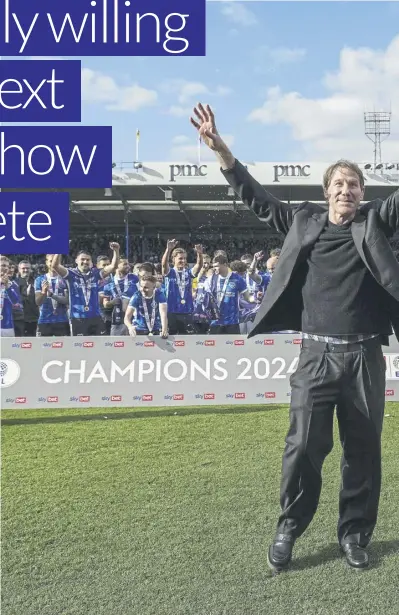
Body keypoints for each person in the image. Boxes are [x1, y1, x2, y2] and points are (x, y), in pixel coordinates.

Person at [190, 102, 399, 571]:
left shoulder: (375, 223)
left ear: (363, 193)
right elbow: (256, 198)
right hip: (315, 358)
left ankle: (354, 534)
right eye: (339, 184)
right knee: (303, 446)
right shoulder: (302, 221)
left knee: (362, 450)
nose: (346, 190)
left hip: (365, 358)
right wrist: (222, 151)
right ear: (326, 192)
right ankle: (288, 528)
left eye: (354, 184)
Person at [52, 244, 119, 336]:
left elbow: (113, 267)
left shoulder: (95, 273)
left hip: (96, 317)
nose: (85, 262)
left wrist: (116, 251)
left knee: (100, 347)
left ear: (91, 262)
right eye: (82, 259)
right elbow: (55, 266)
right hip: (78, 318)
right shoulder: (71, 273)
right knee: (79, 348)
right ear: (76, 261)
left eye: (88, 260)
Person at [161, 240, 204, 334]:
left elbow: (199, 266)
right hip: (171, 311)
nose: (183, 261)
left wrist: (199, 254)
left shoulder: (188, 273)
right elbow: (164, 265)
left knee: (186, 340)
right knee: (171, 339)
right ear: (173, 259)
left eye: (185, 258)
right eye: (180, 258)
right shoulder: (170, 272)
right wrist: (168, 249)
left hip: (187, 310)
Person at [34, 254, 70, 337]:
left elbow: (67, 301)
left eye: (56, 261)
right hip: (44, 320)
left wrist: (52, 295)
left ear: (60, 263)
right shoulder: (40, 279)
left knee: (65, 349)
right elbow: (38, 302)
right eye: (51, 261)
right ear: (46, 262)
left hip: (62, 321)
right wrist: (43, 292)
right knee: (42, 349)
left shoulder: (65, 279)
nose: (53, 263)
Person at [124, 274, 168, 338]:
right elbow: (126, 317)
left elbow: (163, 314)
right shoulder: (137, 296)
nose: (142, 289)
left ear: (154, 287)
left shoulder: (160, 295)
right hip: (139, 329)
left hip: (156, 328)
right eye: (141, 286)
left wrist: (164, 329)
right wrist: (130, 327)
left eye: (146, 287)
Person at [0, 257, 21, 337]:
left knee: (8, 349)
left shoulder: (12, 284)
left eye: (7, 266)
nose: (6, 268)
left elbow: (16, 301)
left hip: (7, 326)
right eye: (3, 265)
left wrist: (7, 287)